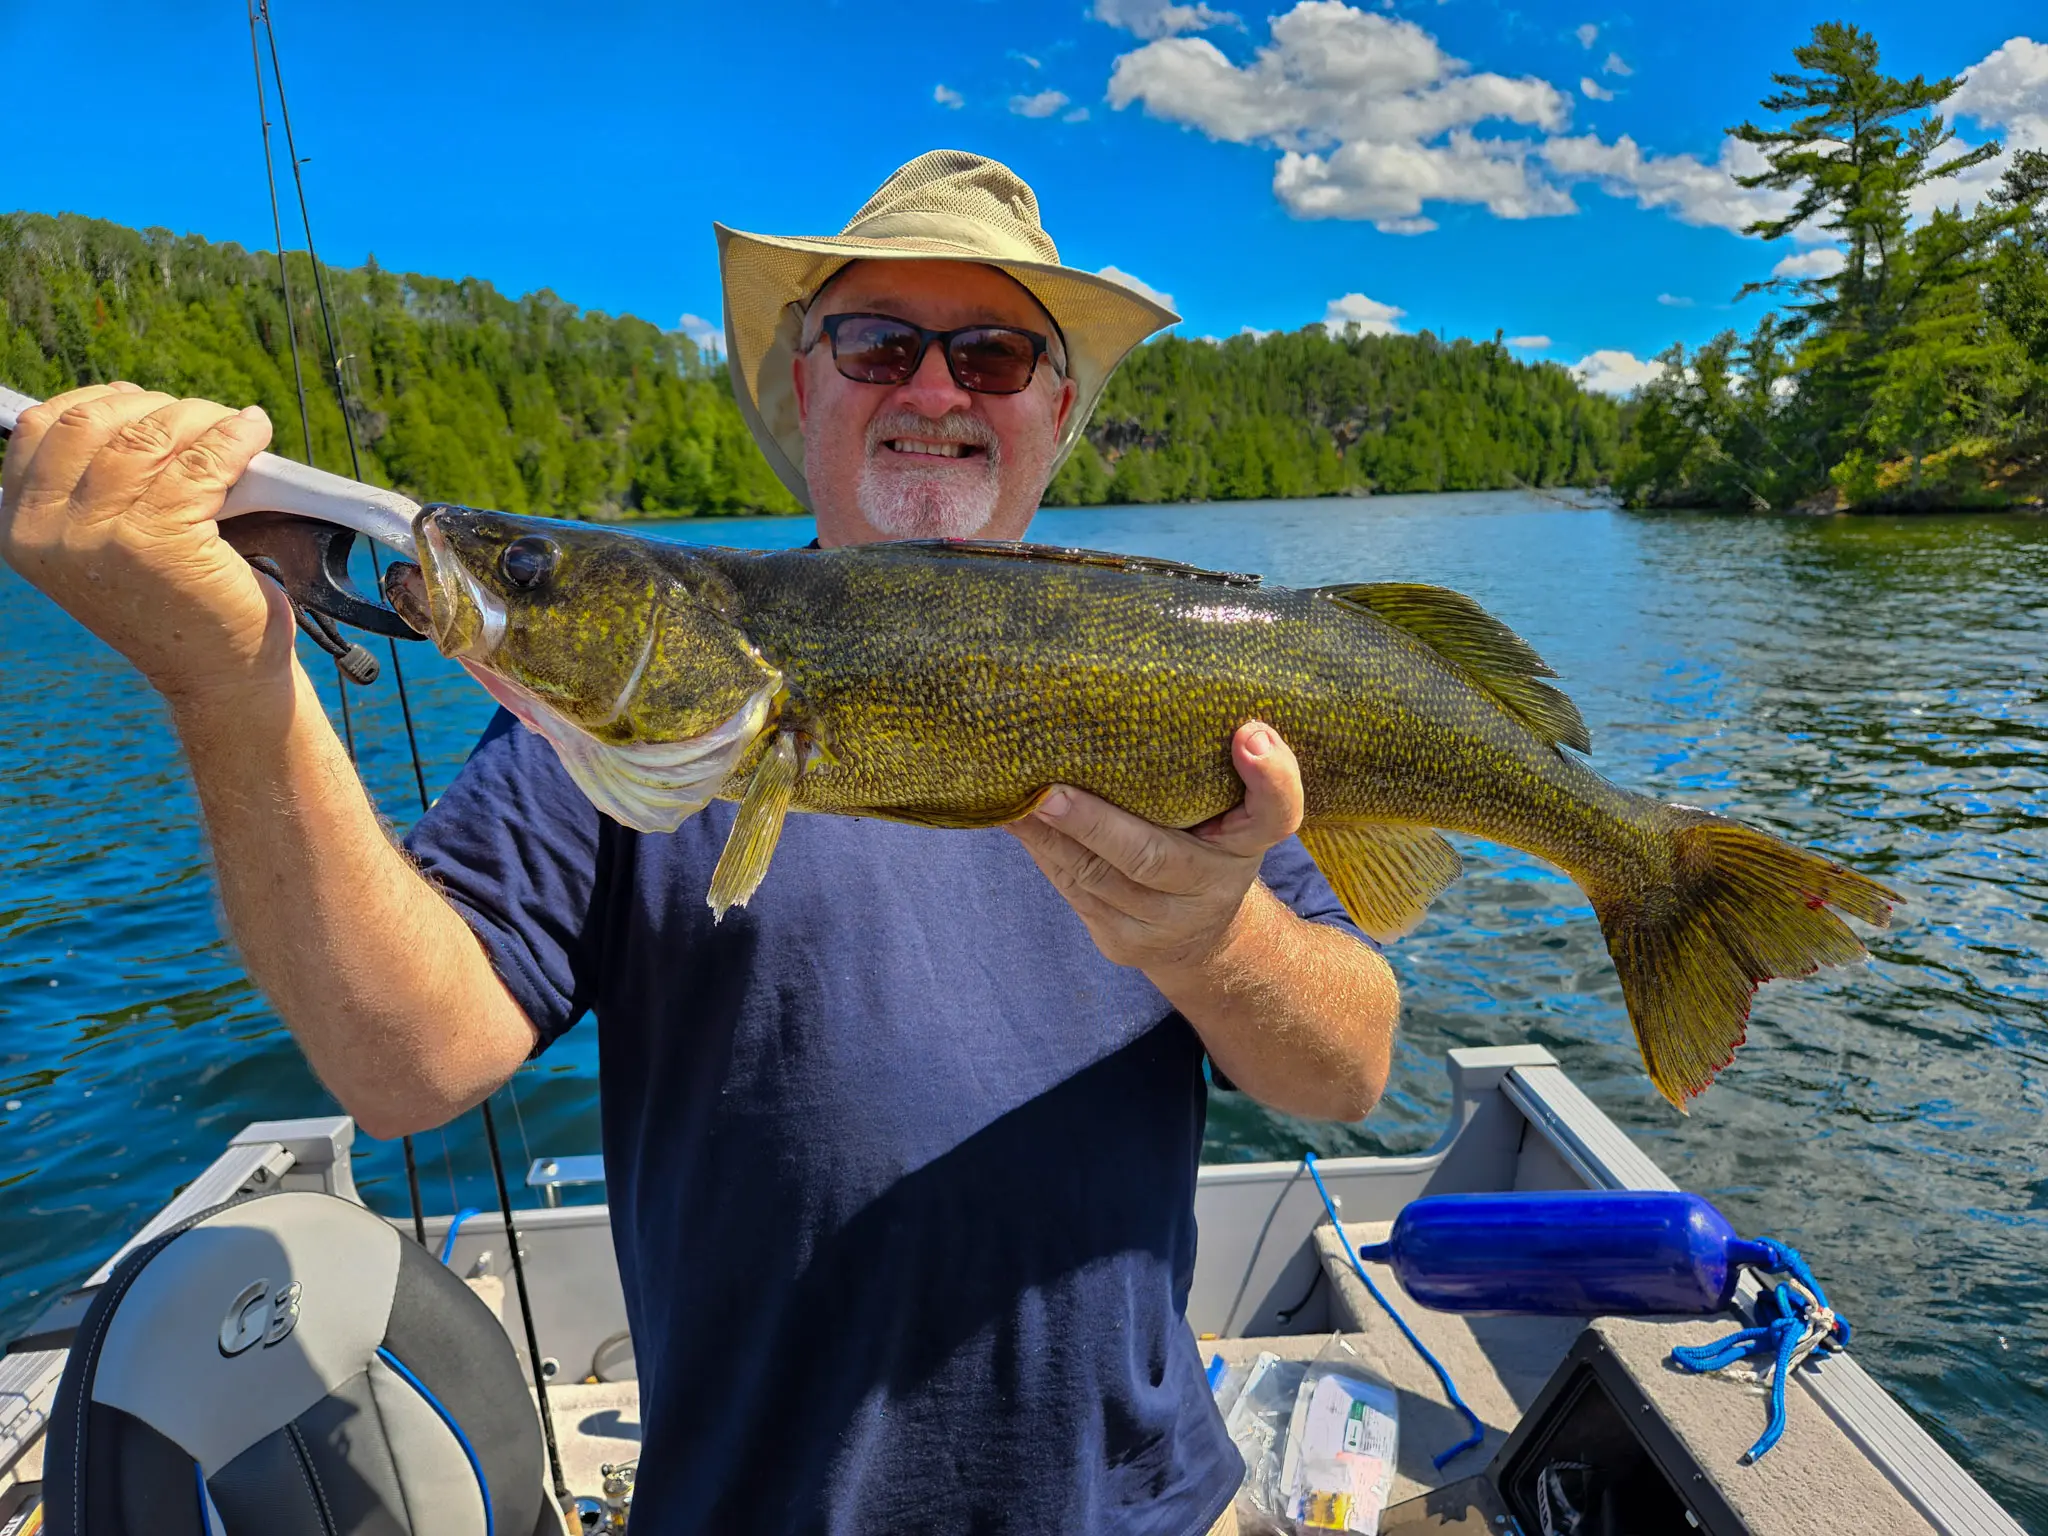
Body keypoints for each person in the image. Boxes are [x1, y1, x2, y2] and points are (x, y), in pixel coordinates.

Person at [0, 151, 1398, 1534]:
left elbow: (1347, 1070)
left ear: (1059, 408)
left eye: (990, 354)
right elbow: (404, 1066)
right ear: (805, 382)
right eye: (879, 343)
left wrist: (1218, 934)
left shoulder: (1183, 701)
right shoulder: (613, 741)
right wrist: (232, 689)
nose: (932, 388)